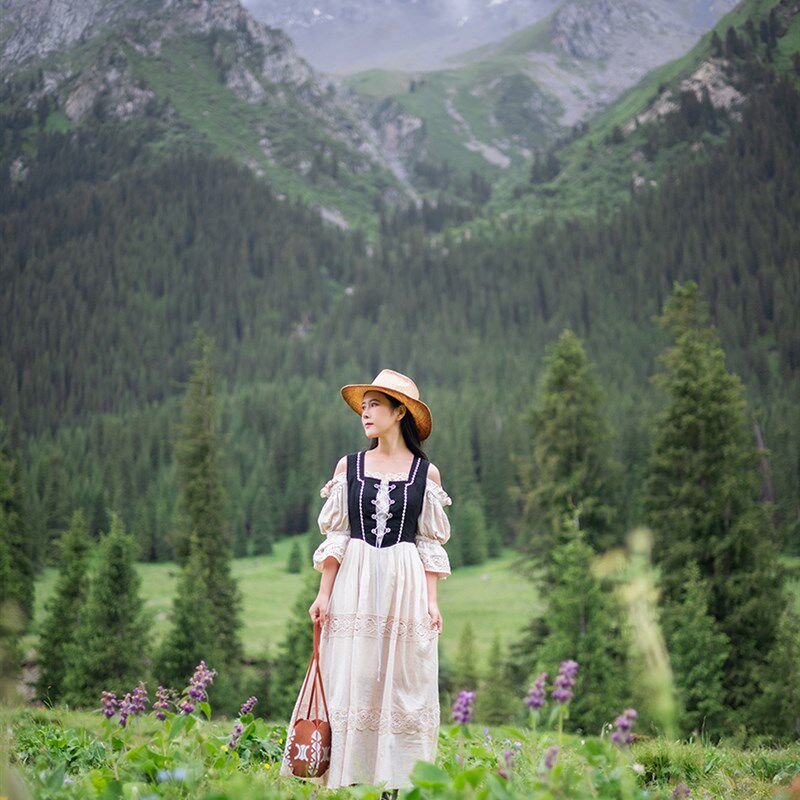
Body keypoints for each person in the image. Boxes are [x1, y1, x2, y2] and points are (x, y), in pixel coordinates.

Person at [280, 369, 453, 797]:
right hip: (354, 579)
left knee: (400, 682)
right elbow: (337, 536)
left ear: (400, 413)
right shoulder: (350, 466)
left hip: (404, 581)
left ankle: (395, 784)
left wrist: (432, 602)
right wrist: (323, 594)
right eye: (364, 405)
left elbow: (428, 543)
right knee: (353, 679)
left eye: (375, 404)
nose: (366, 413)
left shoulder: (424, 474)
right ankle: (352, 781)